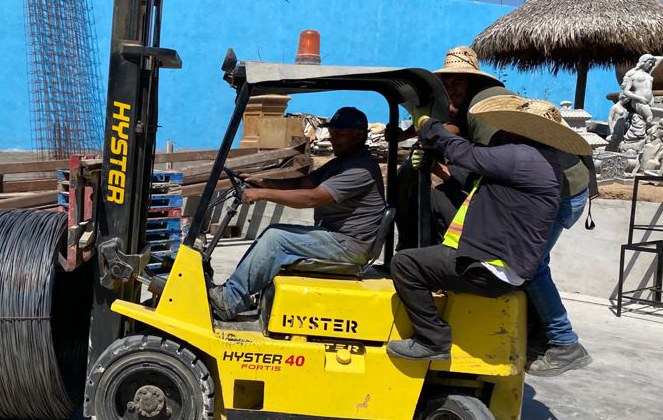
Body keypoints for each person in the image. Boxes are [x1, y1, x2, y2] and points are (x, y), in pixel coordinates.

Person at [387, 95, 592, 361]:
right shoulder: (539, 159)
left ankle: (432, 340)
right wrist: (435, 165)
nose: (502, 131)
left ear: (523, 129)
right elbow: (473, 178)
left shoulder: (523, 156)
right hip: (501, 261)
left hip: (490, 269)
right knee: (440, 199)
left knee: (405, 264)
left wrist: (428, 125)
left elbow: (466, 154)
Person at [208, 107, 385, 321]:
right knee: (274, 233)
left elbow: (312, 197)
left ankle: (230, 299)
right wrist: (263, 181)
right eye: (332, 133)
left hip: (348, 245)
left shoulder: (360, 169)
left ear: (358, 135)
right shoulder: (341, 163)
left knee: (276, 239)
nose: (332, 139)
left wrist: (262, 194)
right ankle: (234, 292)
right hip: (336, 237)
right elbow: (303, 183)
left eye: (339, 134)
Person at [466, 102, 596, 376]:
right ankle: (539, 334)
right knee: (532, 263)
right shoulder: (512, 137)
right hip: (568, 195)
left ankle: (565, 343)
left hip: (565, 199)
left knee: (533, 266)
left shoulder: (530, 143)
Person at [395, 46, 509, 249]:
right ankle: (409, 243)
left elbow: (451, 133)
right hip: (464, 173)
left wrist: (433, 156)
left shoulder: (477, 111)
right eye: (446, 85)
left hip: (486, 185)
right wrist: (404, 134)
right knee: (406, 176)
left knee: (440, 196)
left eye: (458, 82)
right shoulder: (453, 106)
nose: (452, 89)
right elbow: (441, 123)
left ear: (472, 83)